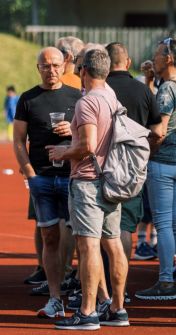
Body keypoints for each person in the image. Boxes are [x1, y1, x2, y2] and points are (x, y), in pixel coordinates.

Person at [49, 48, 129, 330]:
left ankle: (88, 312)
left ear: (83, 71)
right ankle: (117, 309)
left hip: (88, 180)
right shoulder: (110, 95)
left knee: (89, 246)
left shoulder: (87, 102)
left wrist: (63, 152)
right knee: (114, 244)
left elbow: (87, 146)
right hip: (110, 179)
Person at [13, 47, 80, 319]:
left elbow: (92, 136)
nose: (51, 70)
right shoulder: (28, 99)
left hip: (72, 177)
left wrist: (72, 130)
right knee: (49, 238)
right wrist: (29, 173)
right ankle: (55, 299)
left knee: (83, 239)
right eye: (45, 66)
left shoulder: (77, 97)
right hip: (41, 178)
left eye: (55, 65)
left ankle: (83, 296)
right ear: (37, 68)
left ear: (64, 65)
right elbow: (18, 140)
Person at [135, 38, 176, 301]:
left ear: (168, 58)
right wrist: (151, 81)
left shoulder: (167, 88)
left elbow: (159, 130)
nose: (154, 57)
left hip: (163, 162)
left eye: (158, 54)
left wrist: (147, 153)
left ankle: (166, 280)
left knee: (163, 223)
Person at [104, 42, 162, 265]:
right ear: (128, 62)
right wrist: (146, 150)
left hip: (102, 164)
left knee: (100, 227)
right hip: (132, 166)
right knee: (126, 225)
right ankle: (121, 284)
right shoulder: (143, 91)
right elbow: (158, 131)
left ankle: (102, 288)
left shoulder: (98, 89)